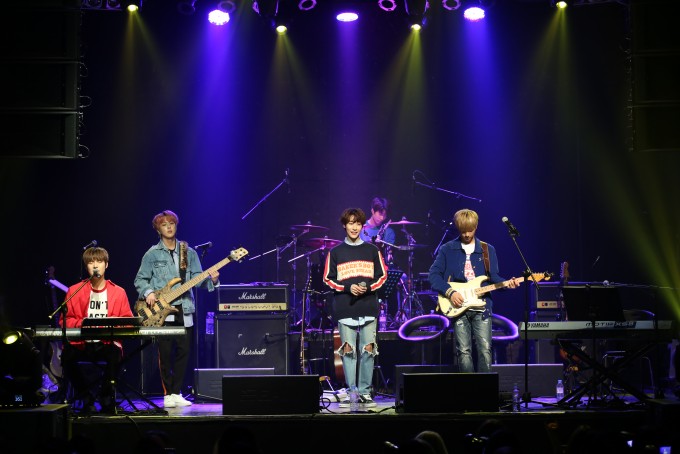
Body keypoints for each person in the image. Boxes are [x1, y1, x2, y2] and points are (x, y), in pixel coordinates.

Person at [134, 210, 219, 408]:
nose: (169, 227)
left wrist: (213, 280)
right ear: (158, 229)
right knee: (165, 353)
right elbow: (140, 279)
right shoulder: (152, 254)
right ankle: (168, 394)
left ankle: (176, 392)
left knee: (183, 352)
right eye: (164, 224)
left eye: (171, 223)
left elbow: (198, 279)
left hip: (185, 307)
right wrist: (149, 293)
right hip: (163, 309)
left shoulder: (189, 253)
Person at [428, 209, 519, 373]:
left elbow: (494, 278)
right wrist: (450, 292)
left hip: (482, 307)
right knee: (463, 352)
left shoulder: (487, 249)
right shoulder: (447, 249)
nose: (466, 234)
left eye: (470, 230)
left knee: (485, 350)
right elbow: (433, 275)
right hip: (458, 306)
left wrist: (507, 284)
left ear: (476, 227)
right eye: (463, 231)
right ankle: (468, 387)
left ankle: (484, 388)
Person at [323, 207, 388, 407]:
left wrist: (368, 287)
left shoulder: (372, 250)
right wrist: (347, 287)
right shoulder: (335, 252)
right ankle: (352, 392)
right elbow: (327, 279)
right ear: (344, 225)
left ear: (362, 225)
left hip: (368, 307)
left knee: (368, 350)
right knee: (348, 351)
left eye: (358, 223)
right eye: (351, 223)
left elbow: (382, 276)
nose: (354, 227)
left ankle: (365, 392)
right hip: (345, 307)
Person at [60, 246, 133, 414]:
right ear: (86, 267)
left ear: (106, 265)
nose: (95, 265)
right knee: (67, 357)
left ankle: (106, 396)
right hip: (81, 343)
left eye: (99, 261)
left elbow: (128, 322)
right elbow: (65, 320)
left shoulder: (118, 292)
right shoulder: (74, 291)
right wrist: (82, 323)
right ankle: (86, 397)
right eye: (90, 262)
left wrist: (113, 324)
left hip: (107, 343)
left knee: (116, 355)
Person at [359, 197, 396, 263]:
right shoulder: (359, 228)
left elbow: (389, 257)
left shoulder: (389, 232)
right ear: (372, 211)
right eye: (380, 214)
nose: (382, 218)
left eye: (384, 215)